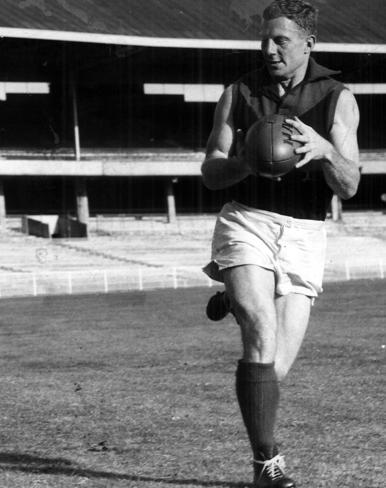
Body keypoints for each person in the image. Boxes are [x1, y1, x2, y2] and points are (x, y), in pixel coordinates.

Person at [201, 1, 360, 487]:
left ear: (309, 42)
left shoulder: (338, 98)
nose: (269, 49)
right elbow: (210, 172)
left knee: (274, 368)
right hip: (247, 220)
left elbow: (349, 185)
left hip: (305, 232)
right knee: (260, 332)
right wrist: (244, 164)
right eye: (265, 40)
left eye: (281, 41)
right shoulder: (238, 92)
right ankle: (266, 463)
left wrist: (324, 150)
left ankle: (235, 293)